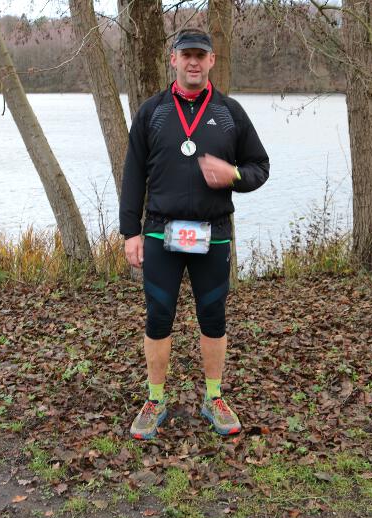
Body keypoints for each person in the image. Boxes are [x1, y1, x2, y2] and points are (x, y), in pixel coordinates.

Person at [119, 28, 269, 440]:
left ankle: (214, 398)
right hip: (160, 233)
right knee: (158, 316)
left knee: (213, 316)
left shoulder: (230, 113)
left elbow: (259, 167)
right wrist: (130, 232)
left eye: (200, 56)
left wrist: (233, 174)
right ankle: (155, 400)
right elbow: (133, 175)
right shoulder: (152, 112)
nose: (193, 62)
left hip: (213, 233)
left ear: (211, 61)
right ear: (173, 59)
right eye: (186, 55)